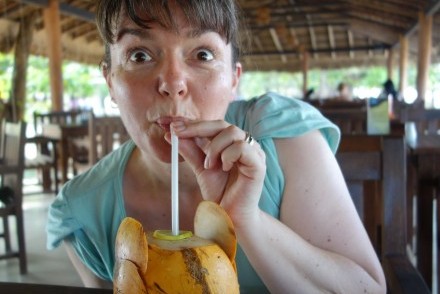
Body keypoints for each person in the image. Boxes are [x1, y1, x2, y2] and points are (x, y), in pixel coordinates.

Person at [46, 1, 386, 293]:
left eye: (203, 54)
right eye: (139, 54)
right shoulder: (84, 212)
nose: (173, 83)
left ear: (234, 79)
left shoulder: (282, 134)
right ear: (110, 81)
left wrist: (247, 220)